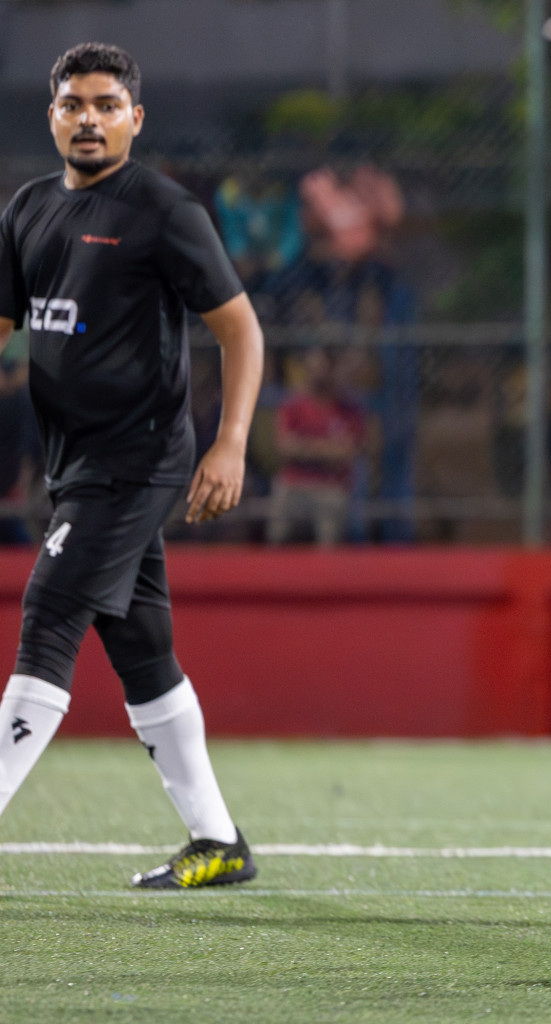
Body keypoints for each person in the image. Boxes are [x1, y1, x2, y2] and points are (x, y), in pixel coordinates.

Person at [0, 43, 264, 888]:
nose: (89, 117)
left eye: (107, 104)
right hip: (73, 466)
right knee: (141, 645)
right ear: (52, 115)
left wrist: (229, 444)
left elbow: (242, 331)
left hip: (141, 459)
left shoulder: (162, 210)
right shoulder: (28, 210)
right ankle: (219, 845)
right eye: (73, 103)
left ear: (134, 118)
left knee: (48, 616)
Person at [269, 347, 367, 546]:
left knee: (328, 536)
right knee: (278, 532)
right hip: (295, 483)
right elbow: (285, 447)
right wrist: (326, 449)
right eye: (314, 366)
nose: (319, 372)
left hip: (331, 485)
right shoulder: (293, 405)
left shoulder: (348, 408)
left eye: (324, 366)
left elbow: (348, 452)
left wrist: (304, 446)